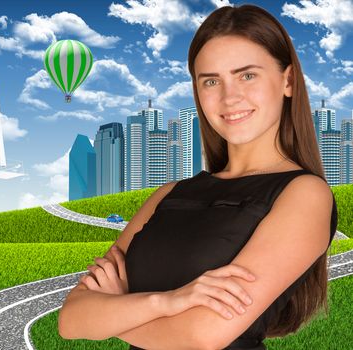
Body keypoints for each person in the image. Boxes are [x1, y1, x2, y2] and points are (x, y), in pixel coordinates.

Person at [57, 4, 338, 350]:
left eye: (247, 75)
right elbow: (71, 319)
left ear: (288, 80)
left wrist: (112, 315)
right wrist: (167, 302)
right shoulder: (168, 195)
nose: (229, 96)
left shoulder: (305, 194)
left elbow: (203, 335)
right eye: (210, 81)